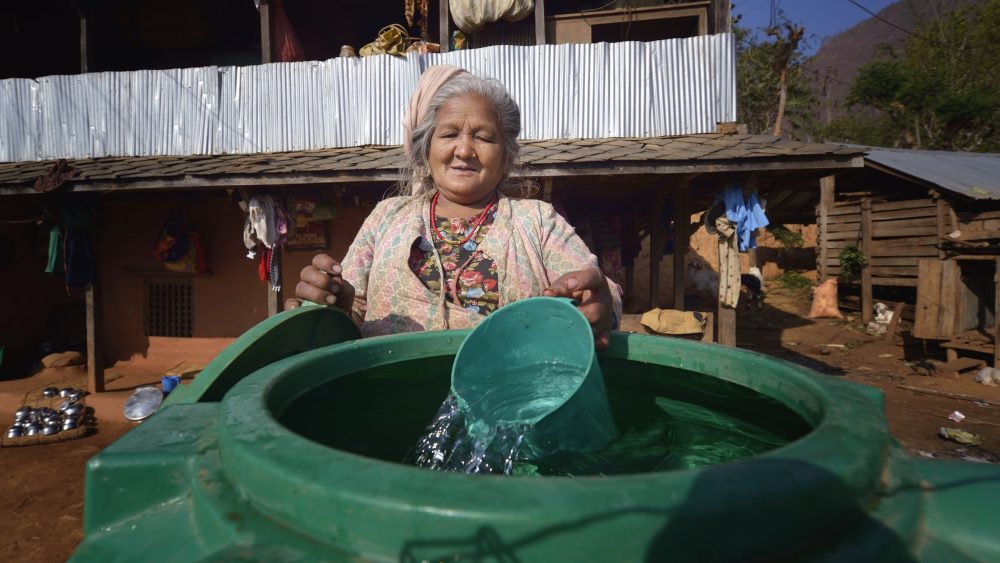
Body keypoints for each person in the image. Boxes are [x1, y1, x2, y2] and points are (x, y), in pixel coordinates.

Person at [285, 66, 621, 347]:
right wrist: (331, 306)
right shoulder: (386, 218)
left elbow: (595, 290)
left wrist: (599, 303)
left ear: (506, 158)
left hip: (508, 401)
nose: (464, 150)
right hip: (396, 400)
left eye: (484, 137)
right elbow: (353, 311)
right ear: (425, 150)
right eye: (449, 135)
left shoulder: (537, 221)